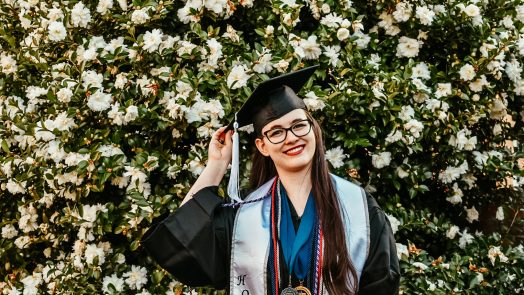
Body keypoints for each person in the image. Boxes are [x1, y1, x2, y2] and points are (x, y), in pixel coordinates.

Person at [142, 66, 400, 295]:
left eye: (298, 125)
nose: (291, 138)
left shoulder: (358, 208)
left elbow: (381, 283)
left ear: (313, 128)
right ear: (262, 146)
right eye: (276, 132)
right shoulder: (243, 215)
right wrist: (216, 166)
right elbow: (181, 242)